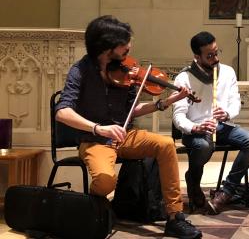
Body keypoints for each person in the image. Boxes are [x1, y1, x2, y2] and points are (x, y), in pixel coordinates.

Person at [54, 15, 202, 239]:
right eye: (124, 44)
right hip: (95, 141)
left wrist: (165, 102)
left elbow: (132, 110)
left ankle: (175, 216)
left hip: (126, 136)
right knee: (104, 181)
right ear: (106, 47)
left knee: (165, 144)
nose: (129, 47)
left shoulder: (125, 70)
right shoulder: (81, 71)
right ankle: (95, 206)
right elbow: (62, 112)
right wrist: (98, 128)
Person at [173, 31, 249, 214]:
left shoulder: (227, 72)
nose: (215, 58)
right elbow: (178, 116)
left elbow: (235, 102)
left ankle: (227, 191)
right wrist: (195, 127)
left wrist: (227, 113)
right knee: (204, 146)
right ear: (197, 56)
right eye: (209, 55)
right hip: (196, 130)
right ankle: (194, 182)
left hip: (221, 126)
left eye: (216, 52)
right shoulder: (184, 78)